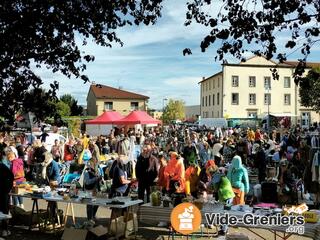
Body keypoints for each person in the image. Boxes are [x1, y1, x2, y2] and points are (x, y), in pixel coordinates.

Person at [0, 161, 14, 237]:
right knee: (4, 211)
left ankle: (4, 230)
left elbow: (11, 177)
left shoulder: (3, 166)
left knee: (4, 211)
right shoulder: (3, 166)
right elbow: (11, 177)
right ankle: (4, 230)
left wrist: (8, 189)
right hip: (4, 192)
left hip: (3, 192)